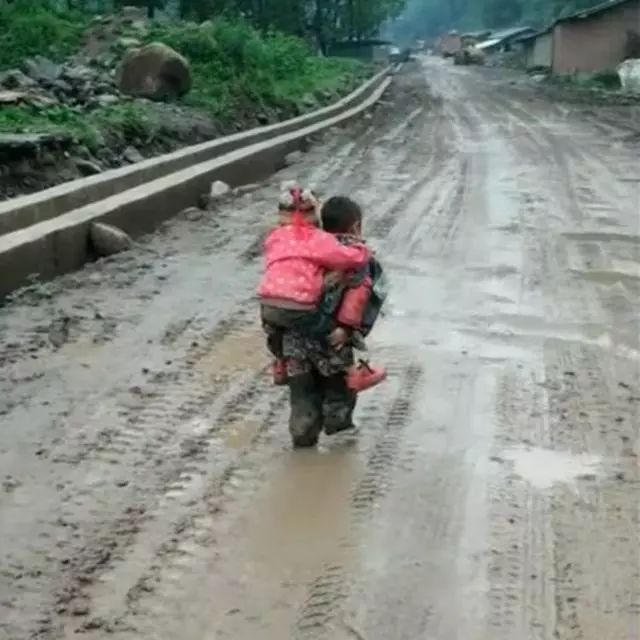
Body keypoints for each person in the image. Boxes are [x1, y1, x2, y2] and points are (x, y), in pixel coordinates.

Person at [258, 185, 387, 447]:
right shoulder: (348, 253)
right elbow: (362, 297)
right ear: (356, 227)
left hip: (294, 343)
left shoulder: (295, 242)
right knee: (338, 395)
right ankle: (340, 439)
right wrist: (349, 331)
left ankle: (302, 436)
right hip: (332, 345)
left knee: (302, 394)